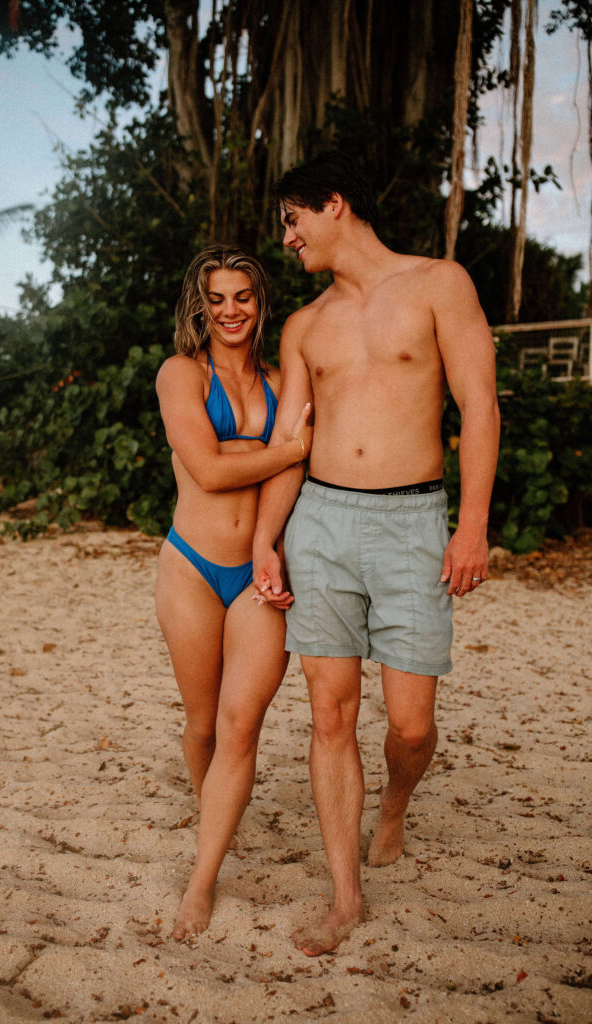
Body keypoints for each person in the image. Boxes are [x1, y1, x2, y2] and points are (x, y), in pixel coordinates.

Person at [252, 152, 500, 956]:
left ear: (333, 205)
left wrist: (471, 526)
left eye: (293, 220)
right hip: (319, 526)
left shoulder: (439, 284)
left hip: (413, 524)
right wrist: (266, 540)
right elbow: (289, 444)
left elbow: (479, 405)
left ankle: (392, 806)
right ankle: (343, 895)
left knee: (410, 725)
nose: (287, 240)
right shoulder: (302, 327)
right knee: (329, 712)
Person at [155, 244, 312, 941]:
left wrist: (265, 536)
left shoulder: (283, 379)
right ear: (199, 304)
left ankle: (200, 880)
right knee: (202, 724)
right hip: (189, 565)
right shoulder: (179, 375)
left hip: (259, 573)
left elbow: (283, 481)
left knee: (240, 725)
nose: (229, 310)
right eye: (216, 298)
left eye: (241, 297)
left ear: (259, 302)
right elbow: (210, 472)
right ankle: (211, 813)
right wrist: (286, 448)